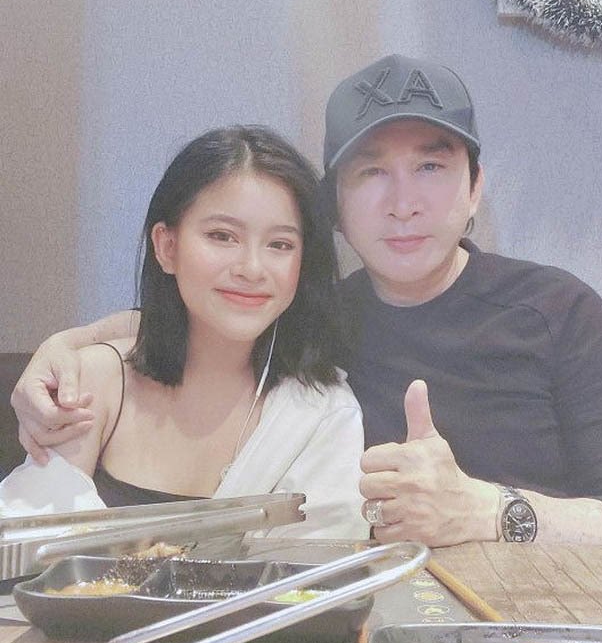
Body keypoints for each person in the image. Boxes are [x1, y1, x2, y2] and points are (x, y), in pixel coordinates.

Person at [10, 56, 602, 545]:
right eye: (371, 171)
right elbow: (205, 313)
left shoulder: (558, 311)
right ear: (335, 208)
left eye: (431, 167)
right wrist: (63, 351)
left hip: (545, 624)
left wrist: (489, 512)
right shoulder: (311, 319)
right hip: (362, 636)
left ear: (474, 188)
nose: (403, 203)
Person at [1, 126, 368, 540]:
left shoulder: (321, 412)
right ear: (167, 247)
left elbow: (322, 565)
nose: (251, 268)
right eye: (222, 236)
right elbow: (26, 548)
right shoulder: (95, 382)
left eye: (280, 244)